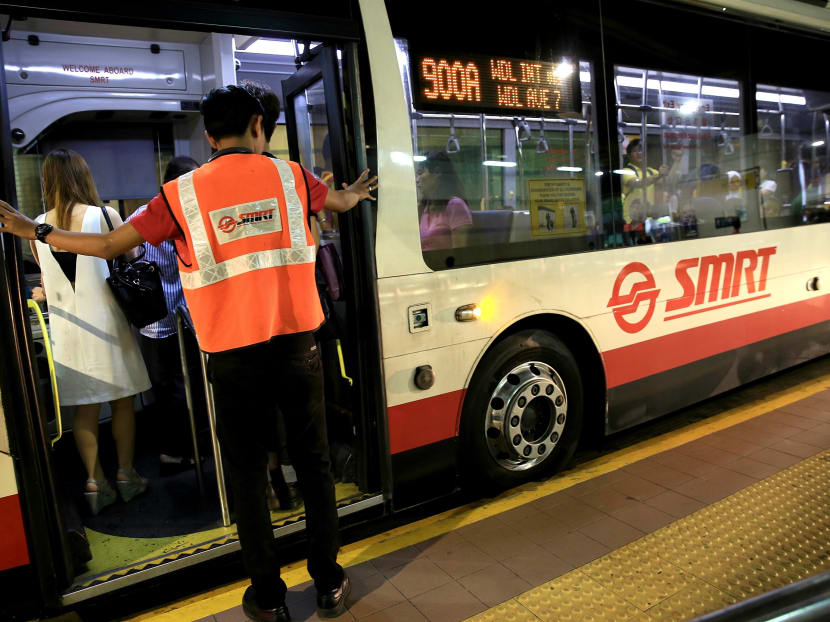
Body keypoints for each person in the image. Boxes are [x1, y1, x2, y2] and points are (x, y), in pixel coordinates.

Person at [0, 85, 376, 622]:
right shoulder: (291, 176)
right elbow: (337, 202)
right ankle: (329, 582)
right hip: (298, 347)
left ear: (208, 136)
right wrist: (356, 192)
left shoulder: (180, 195)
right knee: (313, 463)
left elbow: (107, 246)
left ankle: (268, 597)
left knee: (246, 472)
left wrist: (35, 229)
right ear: (257, 125)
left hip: (233, 358)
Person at [29, 148, 151, 515]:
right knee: (122, 402)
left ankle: (95, 483)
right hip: (109, 323)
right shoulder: (105, 215)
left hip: (68, 330)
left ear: (48, 181)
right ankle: (127, 475)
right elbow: (131, 260)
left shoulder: (35, 226)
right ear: (84, 177)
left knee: (85, 409)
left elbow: (49, 280)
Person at [126, 155, 205, 474]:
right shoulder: (193, 215)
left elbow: (129, 258)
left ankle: (182, 450)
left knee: (171, 388)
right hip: (184, 316)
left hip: (163, 319)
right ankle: (186, 449)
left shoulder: (142, 215)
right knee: (186, 386)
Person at [417, 151, 472, 250]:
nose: (417, 180)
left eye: (421, 173)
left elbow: (459, 253)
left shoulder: (455, 205)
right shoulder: (425, 208)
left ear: (437, 172)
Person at [621, 138, 668, 224]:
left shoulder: (651, 171)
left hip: (649, 221)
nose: (639, 153)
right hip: (630, 221)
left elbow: (668, 183)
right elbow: (638, 183)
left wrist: (677, 162)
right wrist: (659, 175)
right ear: (629, 155)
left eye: (641, 150)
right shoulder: (625, 172)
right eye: (635, 151)